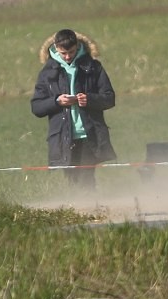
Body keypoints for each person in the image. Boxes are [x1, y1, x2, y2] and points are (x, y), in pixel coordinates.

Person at [30, 28, 116, 189]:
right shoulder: (46, 73)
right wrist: (57, 102)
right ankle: (78, 209)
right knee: (73, 181)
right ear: (56, 48)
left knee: (86, 178)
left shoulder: (94, 67)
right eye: (64, 53)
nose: (68, 56)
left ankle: (90, 208)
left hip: (89, 135)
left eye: (71, 51)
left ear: (77, 46)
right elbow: (36, 107)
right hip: (63, 137)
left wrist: (89, 99)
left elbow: (109, 98)